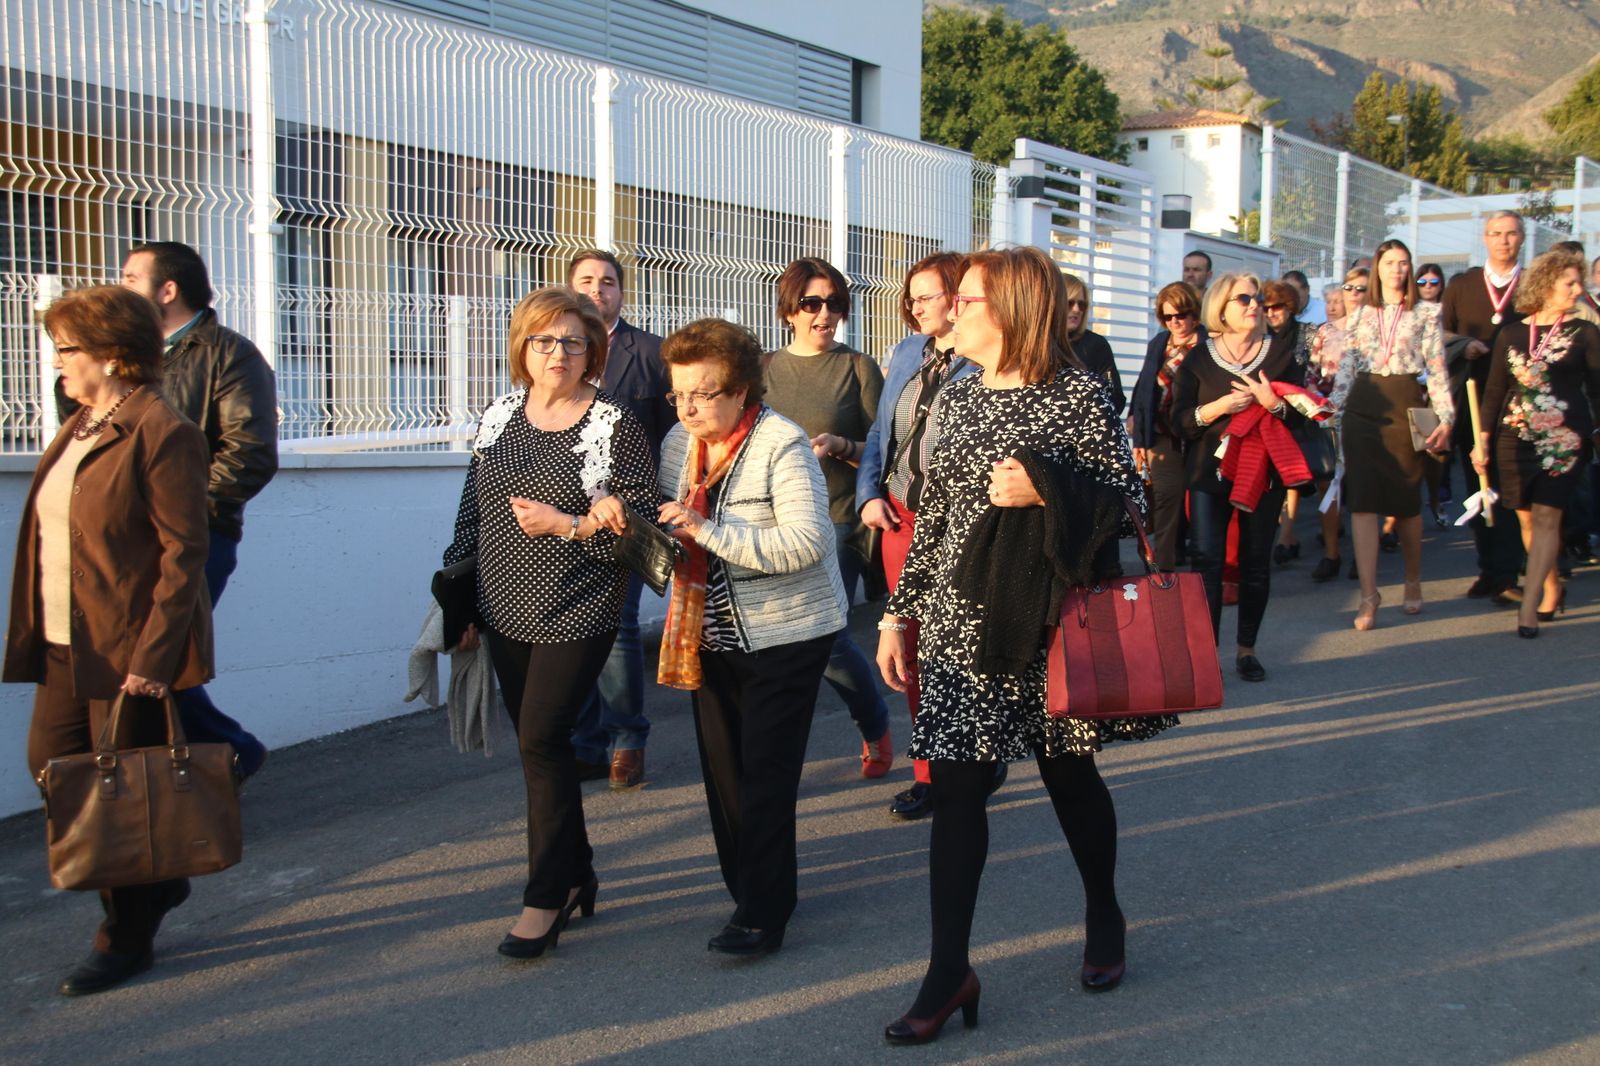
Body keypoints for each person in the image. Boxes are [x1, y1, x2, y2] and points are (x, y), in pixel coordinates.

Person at [875, 246, 1172, 1046]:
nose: (953, 312)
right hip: (963, 622)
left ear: (1011, 310)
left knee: (1069, 777)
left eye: (968, 300)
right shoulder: (962, 397)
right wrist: (895, 617)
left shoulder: (1075, 392)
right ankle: (948, 972)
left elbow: (1131, 498)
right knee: (959, 798)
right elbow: (933, 519)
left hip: (1048, 621)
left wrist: (1046, 485)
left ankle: (1103, 912)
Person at [7, 286, 212, 996]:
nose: (56, 362)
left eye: (66, 349)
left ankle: (124, 936)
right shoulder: (81, 425)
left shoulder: (161, 430)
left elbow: (183, 554)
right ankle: (156, 887)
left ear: (114, 355)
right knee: (53, 768)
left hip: (124, 650)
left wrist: (153, 662)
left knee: (118, 795)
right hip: (67, 641)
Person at [441, 287, 655, 959]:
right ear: (523, 348)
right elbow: (472, 513)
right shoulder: (501, 413)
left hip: (579, 604)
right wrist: (459, 602)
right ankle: (580, 871)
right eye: (543, 340)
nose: (557, 353)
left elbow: (644, 529)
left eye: (571, 341)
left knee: (540, 740)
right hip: (503, 605)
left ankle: (546, 894)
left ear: (593, 350)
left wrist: (571, 527)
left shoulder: (614, 422)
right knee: (548, 747)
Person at [640, 317, 847, 955]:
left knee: (765, 774)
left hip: (788, 633)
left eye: (702, 393)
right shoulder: (680, 442)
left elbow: (809, 543)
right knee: (725, 774)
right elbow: (669, 521)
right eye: (678, 394)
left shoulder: (779, 444)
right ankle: (747, 892)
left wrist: (704, 532)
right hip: (706, 631)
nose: (688, 407)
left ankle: (764, 911)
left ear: (741, 392)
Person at [117, 242, 276, 778]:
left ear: (168, 289)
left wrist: (179, 514)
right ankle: (199, 767)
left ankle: (228, 753)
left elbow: (249, 454)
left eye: (131, 277)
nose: (121, 287)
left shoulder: (227, 354)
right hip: (123, 537)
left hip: (199, 535)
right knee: (140, 657)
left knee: (162, 656)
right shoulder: (127, 355)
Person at [857, 252, 981, 820]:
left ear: (959, 298)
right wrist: (868, 495)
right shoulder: (908, 351)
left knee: (956, 647)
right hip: (900, 522)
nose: (915, 305)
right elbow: (881, 431)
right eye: (912, 296)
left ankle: (973, 756)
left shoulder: (985, 360)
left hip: (959, 527)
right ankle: (929, 773)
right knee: (906, 648)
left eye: (927, 295)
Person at [761, 257, 892, 779]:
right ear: (790, 308)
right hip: (768, 524)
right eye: (812, 303)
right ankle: (774, 751)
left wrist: (841, 446)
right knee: (774, 637)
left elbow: (887, 452)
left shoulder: (858, 368)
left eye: (834, 303)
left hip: (837, 519)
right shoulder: (766, 368)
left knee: (826, 638)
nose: (825, 314)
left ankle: (874, 721)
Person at [1171, 274, 1312, 681]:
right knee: (1206, 561)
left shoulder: (1282, 354)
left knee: (1254, 564)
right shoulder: (1198, 358)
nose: (1254, 305)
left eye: (1258, 298)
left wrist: (1274, 404)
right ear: (1222, 307)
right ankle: (1205, 655)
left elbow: (1304, 418)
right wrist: (1216, 408)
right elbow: (1179, 422)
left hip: (1262, 473)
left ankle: (1247, 650)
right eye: (1243, 298)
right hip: (1208, 471)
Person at [566, 249, 672, 790]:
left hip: (629, 515)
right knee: (572, 628)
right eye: (586, 281)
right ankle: (584, 743)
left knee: (617, 629)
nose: (597, 290)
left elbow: (674, 433)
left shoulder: (651, 353)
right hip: (564, 517)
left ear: (621, 292)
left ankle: (627, 740)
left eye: (607, 282)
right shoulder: (559, 355)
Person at [1473, 249, 1600, 637]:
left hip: (1564, 437)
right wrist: (1482, 442)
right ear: (1545, 286)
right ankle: (1551, 586)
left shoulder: (1586, 332)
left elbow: (1598, 390)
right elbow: (1494, 391)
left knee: (1548, 516)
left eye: (1579, 282)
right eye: (1570, 283)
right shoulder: (1511, 333)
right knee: (1526, 517)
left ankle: (1529, 606)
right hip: (1515, 438)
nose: (1579, 289)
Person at [1329, 240, 1454, 630]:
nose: (1396, 270)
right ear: (1377, 269)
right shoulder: (1362, 314)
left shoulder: (1426, 313)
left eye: (1403, 263)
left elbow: (1436, 369)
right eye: (1389, 263)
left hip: (1404, 402)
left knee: (1405, 503)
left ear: (1410, 269)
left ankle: (1412, 579)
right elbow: (1348, 365)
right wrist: (1331, 406)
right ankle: (1369, 596)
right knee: (1363, 503)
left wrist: (1446, 416)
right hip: (1364, 405)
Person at [1443, 211, 1527, 602]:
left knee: (1508, 486)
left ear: (1522, 238)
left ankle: (1509, 572)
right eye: (1496, 233)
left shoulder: (1530, 286)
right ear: (1485, 237)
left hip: (1518, 404)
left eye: (1511, 234)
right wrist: (1464, 345)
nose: (1503, 240)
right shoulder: (1462, 285)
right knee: (1477, 483)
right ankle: (1488, 567)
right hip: (1472, 397)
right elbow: (1440, 334)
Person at [1130, 281, 1205, 570]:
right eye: (1168, 317)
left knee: (1199, 505)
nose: (1175, 322)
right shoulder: (1159, 343)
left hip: (1200, 435)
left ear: (1194, 315)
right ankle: (1162, 567)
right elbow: (1144, 388)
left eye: (1181, 316)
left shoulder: (1208, 344)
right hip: (1162, 434)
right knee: (1164, 499)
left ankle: (1205, 565)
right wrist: (1139, 437)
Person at [1262, 279, 1318, 565]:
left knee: (1291, 475)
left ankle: (1287, 533)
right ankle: (1281, 531)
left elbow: (1317, 372)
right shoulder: (1260, 336)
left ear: (1290, 307)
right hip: (1266, 409)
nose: (1271, 313)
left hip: (1298, 410)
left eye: (1277, 307)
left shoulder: (1308, 334)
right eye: (1266, 307)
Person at [1415, 262, 1451, 524]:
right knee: (1409, 456)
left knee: (1434, 453)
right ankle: (1395, 521)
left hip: (1437, 391)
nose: (1428, 287)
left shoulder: (1447, 312)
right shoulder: (1410, 312)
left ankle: (1436, 501)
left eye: (1434, 282)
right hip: (1410, 388)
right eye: (1422, 282)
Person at [1063, 273, 1126, 414]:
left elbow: (1116, 399)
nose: (1077, 309)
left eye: (1082, 304)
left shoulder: (1096, 345)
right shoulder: (1037, 344)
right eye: (1070, 303)